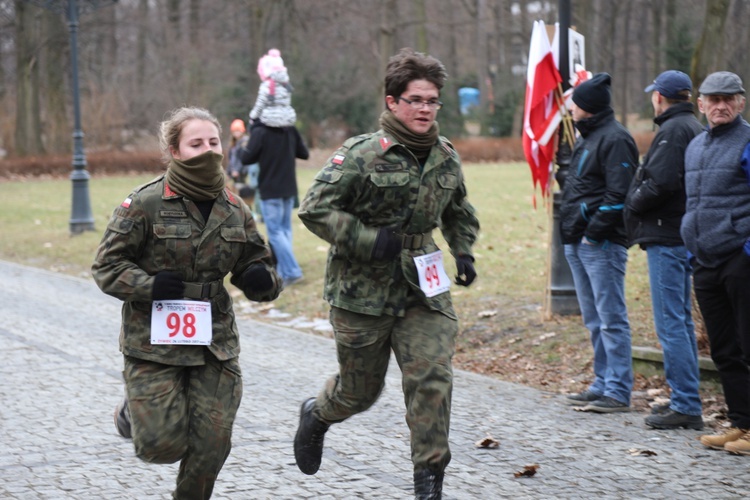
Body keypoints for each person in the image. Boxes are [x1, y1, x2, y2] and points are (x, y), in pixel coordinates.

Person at [293, 47, 480, 499]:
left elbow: (458, 210)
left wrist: (464, 251)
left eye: (432, 101)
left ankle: (429, 483)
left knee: (432, 380)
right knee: (359, 392)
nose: (425, 109)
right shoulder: (361, 154)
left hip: (423, 289)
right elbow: (314, 210)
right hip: (362, 293)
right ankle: (317, 415)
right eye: (415, 99)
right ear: (392, 102)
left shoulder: (445, 156)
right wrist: (367, 239)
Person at [91, 106, 282, 499]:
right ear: (175, 151)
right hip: (153, 342)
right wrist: (148, 285)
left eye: (214, 142)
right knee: (162, 445)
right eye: (196, 144)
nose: (208, 151)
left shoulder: (235, 208)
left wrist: (259, 279)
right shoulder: (145, 203)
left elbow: (257, 263)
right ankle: (134, 412)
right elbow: (106, 266)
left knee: (212, 445)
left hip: (215, 341)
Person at [624, 70, 705, 430]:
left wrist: (633, 203)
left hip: (667, 236)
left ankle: (686, 403)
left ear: (660, 97)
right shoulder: (690, 127)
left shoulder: (672, 131)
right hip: (681, 233)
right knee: (681, 321)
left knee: (671, 322)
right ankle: (684, 398)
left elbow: (661, 182)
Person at [681, 71, 750, 454]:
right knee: (724, 349)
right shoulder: (696, 145)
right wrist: (693, 252)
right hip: (705, 262)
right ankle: (742, 424)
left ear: (741, 102)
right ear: (702, 104)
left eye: (729, 99)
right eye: (713, 99)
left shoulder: (748, 140)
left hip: (739, 259)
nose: (721, 105)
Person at [561, 72, 638, 413]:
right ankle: (602, 382)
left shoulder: (616, 138)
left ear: (587, 108)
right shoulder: (587, 136)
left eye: (575, 103)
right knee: (594, 319)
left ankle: (618, 391)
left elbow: (618, 194)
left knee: (611, 317)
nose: (570, 108)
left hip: (600, 244)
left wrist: (593, 233)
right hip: (577, 240)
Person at [239, 109, 309, 286]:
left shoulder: (260, 131)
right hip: (288, 188)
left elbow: (247, 158)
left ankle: (292, 272)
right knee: (284, 230)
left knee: (275, 232)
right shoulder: (289, 129)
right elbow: (304, 153)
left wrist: (245, 145)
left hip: (270, 189)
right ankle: (285, 272)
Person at [249, 48, 296, 128]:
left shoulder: (266, 85)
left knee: (255, 133)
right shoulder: (286, 84)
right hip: (287, 120)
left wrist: (252, 117)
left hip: (269, 121)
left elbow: (260, 105)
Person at [227, 118, 260, 213]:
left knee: (245, 194)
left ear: (242, 130)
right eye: (234, 131)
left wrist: (238, 170)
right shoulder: (233, 143)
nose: (236, 133)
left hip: (242, 174)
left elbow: (243, 159)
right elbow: (232, 159)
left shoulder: (245, 142)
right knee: (235, 193)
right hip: (233, 173)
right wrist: (229, 171)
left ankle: (249, 212)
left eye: (238, 130)